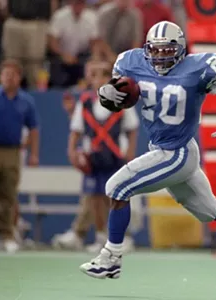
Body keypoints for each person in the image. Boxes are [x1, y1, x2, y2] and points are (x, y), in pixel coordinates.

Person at [80, 21, 216, 279]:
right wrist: (108, 96)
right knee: (210, 211)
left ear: (180, 49)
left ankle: (111, 257)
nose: (160, 56)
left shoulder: (197, 68)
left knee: (116, 187)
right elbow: (120, 98)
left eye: (166, 50)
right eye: (155, 50)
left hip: (176, 152)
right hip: (168, 149)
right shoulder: (131, 62)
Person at [53, 62, 140, 253]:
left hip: (116, 157)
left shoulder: (123, 101)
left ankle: (122, 237)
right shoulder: (84, 103)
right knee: (94, 198)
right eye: (95, 75)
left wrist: (130, 152)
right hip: (93, 158)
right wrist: (72, 151)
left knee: (116, 198)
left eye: (103, 75)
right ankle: (101, 236)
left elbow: (132, 128)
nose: (99, 80)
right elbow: (76, 130)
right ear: (90, 79)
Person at [0, 59, 39, 253]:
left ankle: (5, 234)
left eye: (13, 75)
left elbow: (33, 129)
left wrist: (33, 153)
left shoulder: (26, 101)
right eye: (6, 74)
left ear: (19, 78)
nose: (9, 78)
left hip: (13, 151)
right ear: (0, 76)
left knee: (8, 192)